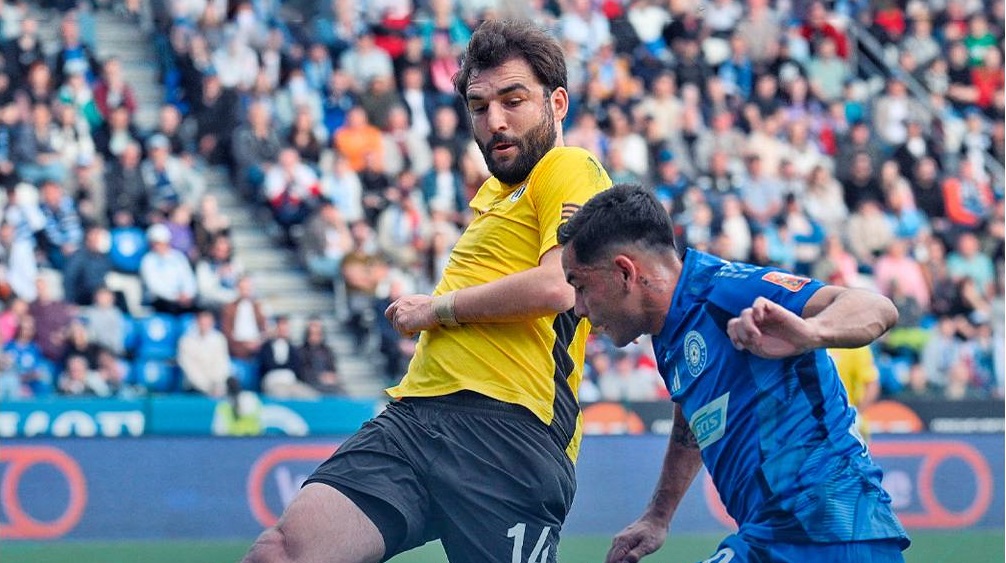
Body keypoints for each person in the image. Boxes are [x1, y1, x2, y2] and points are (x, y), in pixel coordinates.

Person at [242, 19, 612, 563]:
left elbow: (558, 285)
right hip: (415, 417)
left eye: (513, 101)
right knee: (280, 552)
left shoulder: (569, 165)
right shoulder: (494, 197)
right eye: (479, 107)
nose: (495, 121)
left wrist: (437, 310)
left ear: (557, 103)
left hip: (509, 431)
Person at [557, 184, 909, 563]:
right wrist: (658, 515)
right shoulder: (669, 331)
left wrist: (810, 333)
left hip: (832, 531)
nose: (578, 308)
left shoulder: (727, 291)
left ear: (625, 272)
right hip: (773, 536)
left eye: (581, 286)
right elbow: (695, 412)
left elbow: (876, 307)